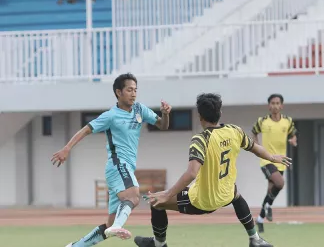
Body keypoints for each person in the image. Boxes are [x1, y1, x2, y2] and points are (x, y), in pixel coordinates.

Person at [133, 93, 291, 247]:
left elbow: (191, 173)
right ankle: (254, 238)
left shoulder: (200, 139)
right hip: (226, 194)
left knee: (156, 202)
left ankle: (159, 243)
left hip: (203, 201)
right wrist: (271, 157)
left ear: (200, 117)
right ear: (220, 113)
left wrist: (167, 194)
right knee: (236, 195)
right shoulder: (235, 131)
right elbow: (255, 147)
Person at [51, 73, 172, 247]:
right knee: (133, 195)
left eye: (135, 90)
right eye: (129, 90)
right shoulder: (110, 116)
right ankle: (117, 226)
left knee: (108, 225)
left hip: (126, 168)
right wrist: (67, 148)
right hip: (117, 165)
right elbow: (86, 129)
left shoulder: (139, 110)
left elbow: (163, 125)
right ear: (118, 92)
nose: (133, 93)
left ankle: (74, 246)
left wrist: (165, 114)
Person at [251, 94, 297, 233]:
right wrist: (258, 148)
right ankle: (268, 207)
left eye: (278, 103)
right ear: (269, 106)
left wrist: (293, 140)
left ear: (281, 106)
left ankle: (259, 219)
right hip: (267, 160)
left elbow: (293, 134)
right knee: (280, 183)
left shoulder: (287, 121)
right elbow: (254, 133)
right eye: (273, 103)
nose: (275, 105)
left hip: (281, 161)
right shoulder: (262, 121)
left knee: (270, 191)